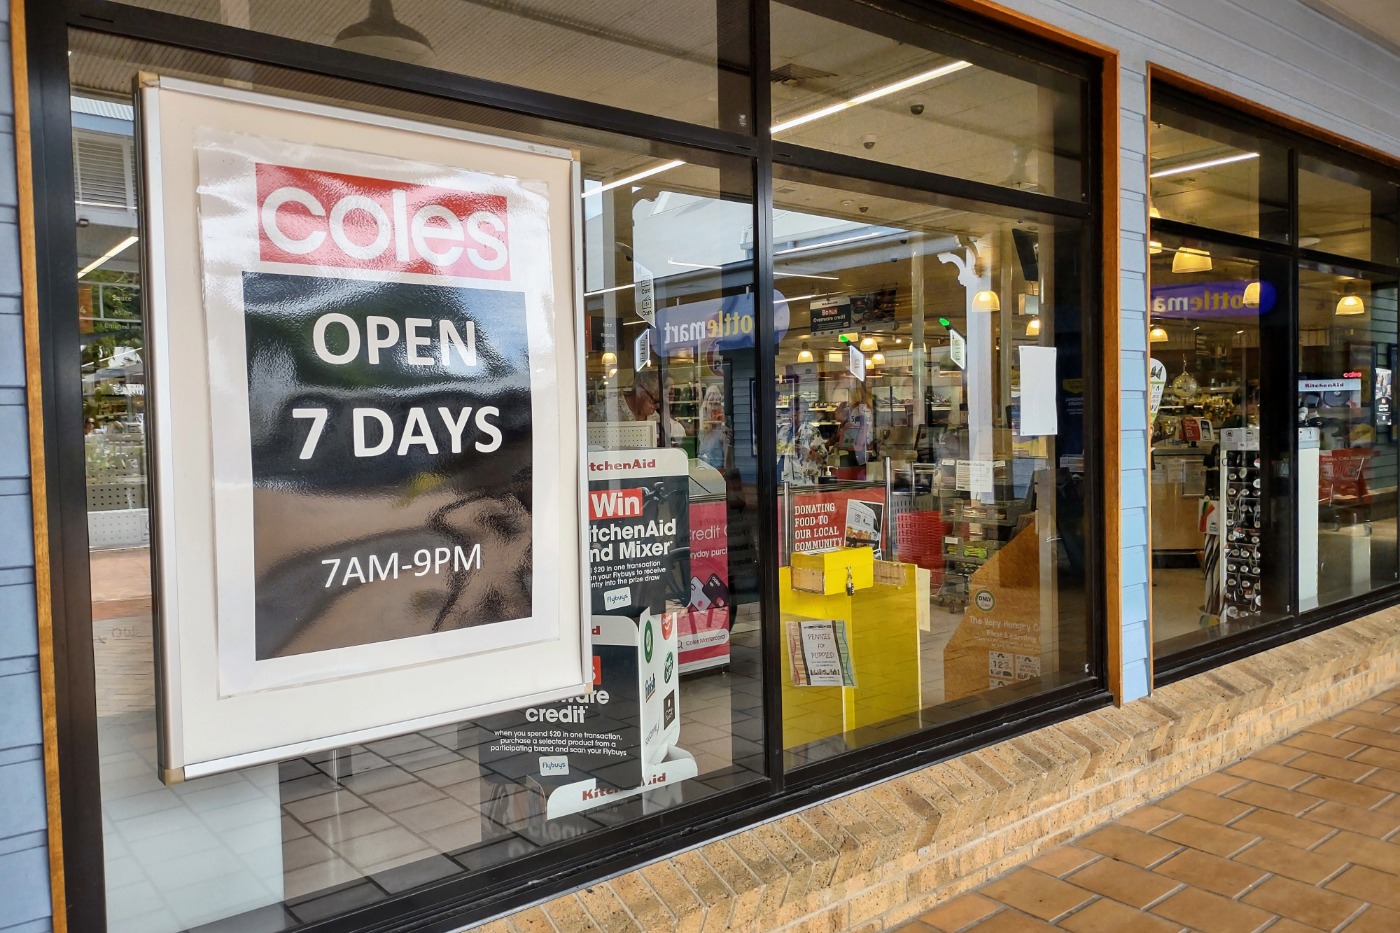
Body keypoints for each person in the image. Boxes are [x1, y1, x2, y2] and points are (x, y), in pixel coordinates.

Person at [779, 397, 827, 485]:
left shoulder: (812, 431)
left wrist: (808, 452)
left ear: (805, 412)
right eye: (791, 409)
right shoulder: (783, 430)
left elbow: (823, 458)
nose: (793, 412)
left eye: (797, 409)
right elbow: (777, 454)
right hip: (786, 481)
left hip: (806, 482)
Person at [697, 385, 728, 469]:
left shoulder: (723, 431)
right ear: (706, 405)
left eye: (717, 404)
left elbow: (726, 462)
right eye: (711, 403)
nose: (714, 407)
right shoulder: (702, 429)